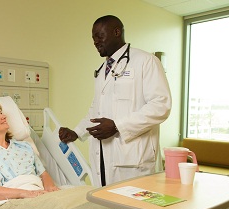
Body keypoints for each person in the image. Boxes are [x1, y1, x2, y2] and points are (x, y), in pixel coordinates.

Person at [59, 15, 172, 186]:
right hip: (103, 156)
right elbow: (95, 109)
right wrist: (77, 132)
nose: (95, 42)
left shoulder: (145, 61)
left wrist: (118, 126)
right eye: (93, 37)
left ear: (116, 32)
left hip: (134, 157)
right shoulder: (103, 70)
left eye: (100, 35)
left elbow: (160, 105)